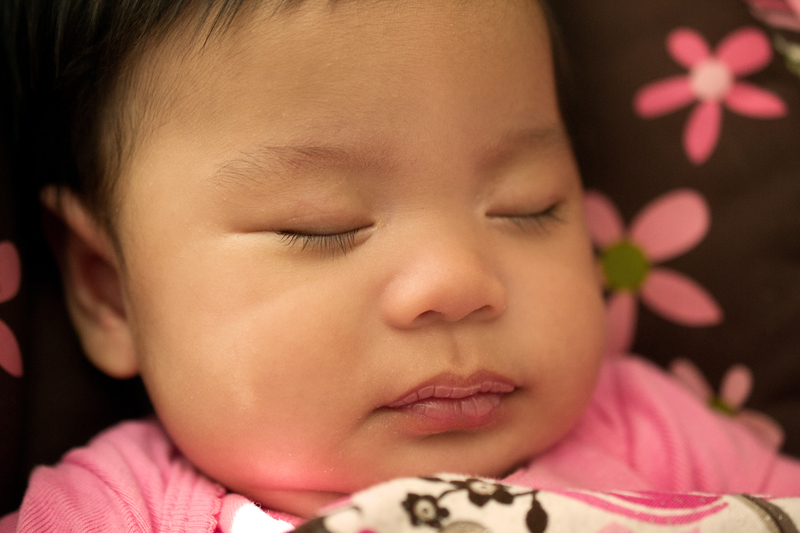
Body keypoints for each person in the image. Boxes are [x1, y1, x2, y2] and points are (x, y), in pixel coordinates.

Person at [1, 0, 799, 530]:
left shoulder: (650, 429)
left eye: (526, 207)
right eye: (321, 226)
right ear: (109, 289)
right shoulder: (112, 509)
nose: (457, 282)